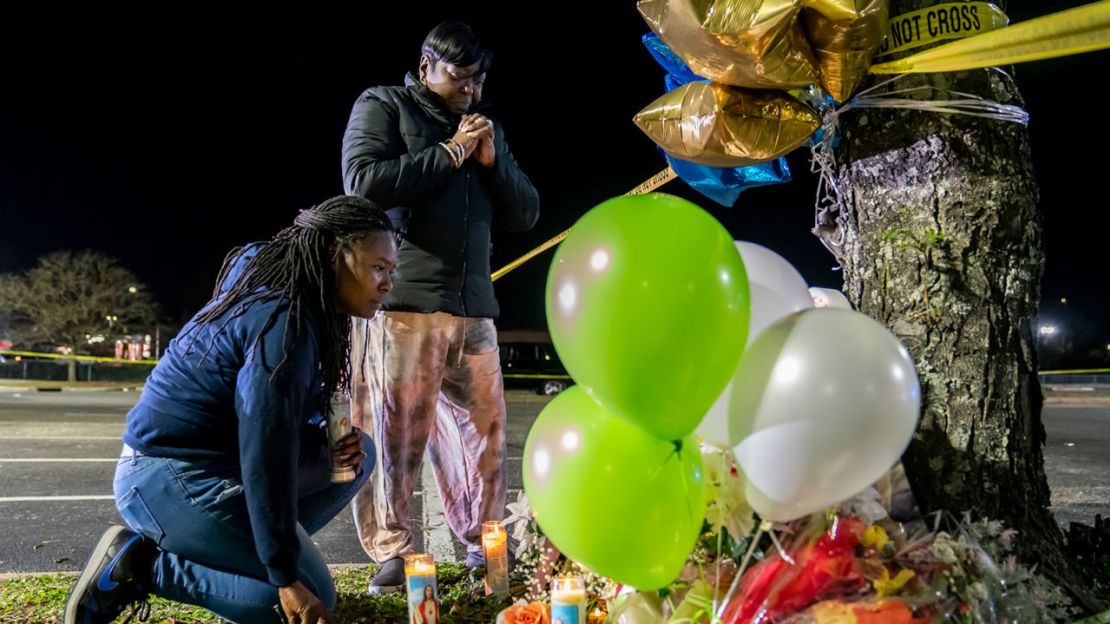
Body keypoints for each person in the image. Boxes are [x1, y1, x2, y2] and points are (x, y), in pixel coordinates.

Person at [64, 196, 397, 624]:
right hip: (166, 474)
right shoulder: (284, 325)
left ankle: (244, 553)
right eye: (377, 268)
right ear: (333, 257)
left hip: (222, 465)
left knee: (357, 455)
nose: (388, 282)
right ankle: (140, 566)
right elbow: (266, 455)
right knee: (305, 601)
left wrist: (321, 433)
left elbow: (281, 427)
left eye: (391, 270)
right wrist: (285, 577)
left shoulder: (309, 304)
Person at [341, 20, 540, 594]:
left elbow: (526, 212)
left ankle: (485, 544)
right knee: (395, 433)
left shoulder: (481, 128)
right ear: (427, 63)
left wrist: (492, 160)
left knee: (487, 434)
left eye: (479, 80)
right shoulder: (384, 104)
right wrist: (449, 153)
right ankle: (393, 549)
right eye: (459, 76)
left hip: (474, 308)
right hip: (404, 303)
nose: (470, 90)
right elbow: (363, 183)